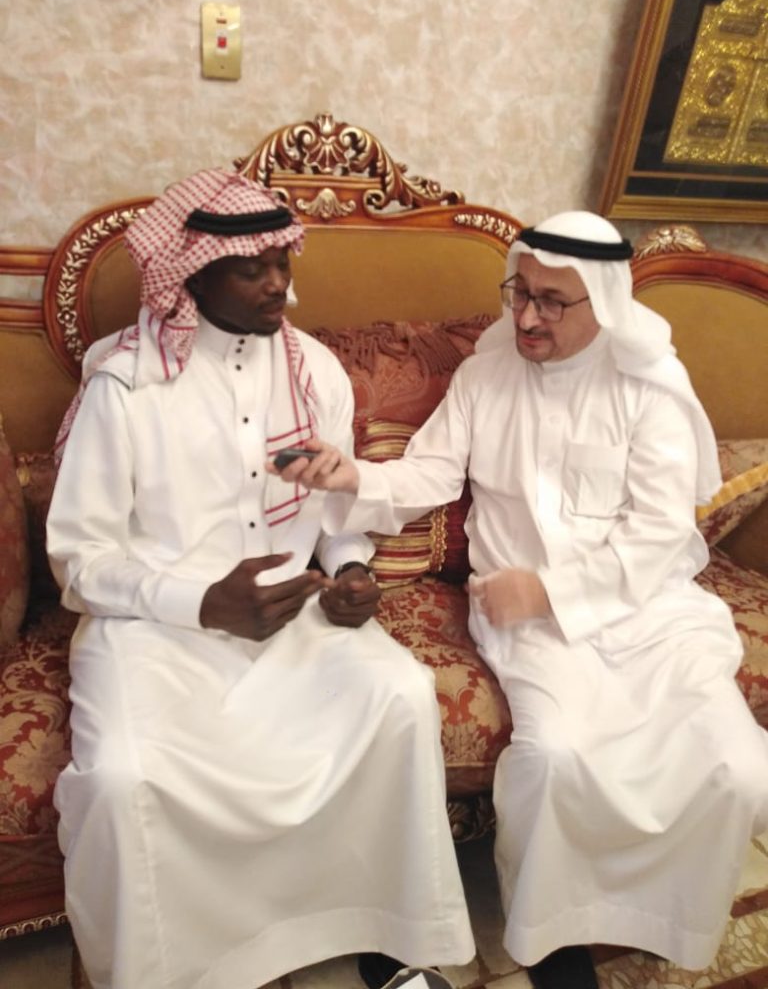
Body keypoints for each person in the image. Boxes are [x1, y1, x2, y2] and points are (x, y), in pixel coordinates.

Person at [276, 211, 768, 989]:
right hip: (528, 624)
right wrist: (354, 476)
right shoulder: (488, 374)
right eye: (520, 293)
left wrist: (550, 588)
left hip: (648, 614)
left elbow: (657, 536)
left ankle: (664, 918)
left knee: (734, 767)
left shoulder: (650, 390)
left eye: (552, 302)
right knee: (555, 758)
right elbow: (431, 472)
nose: (528, 317)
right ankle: (553, 937)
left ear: (603, 302)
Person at [46, 168, 475, 989]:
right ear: (194, 276)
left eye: (283, 260)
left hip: (291, 615)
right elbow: (80, 559)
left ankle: (390, 946)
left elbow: (336, 514)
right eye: (253, 268)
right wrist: (202, 602)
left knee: (400, 695)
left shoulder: (315, 372)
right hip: (152, 629)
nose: (279, 282)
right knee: (123, 779)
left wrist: (350, 573)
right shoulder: (127, 386)